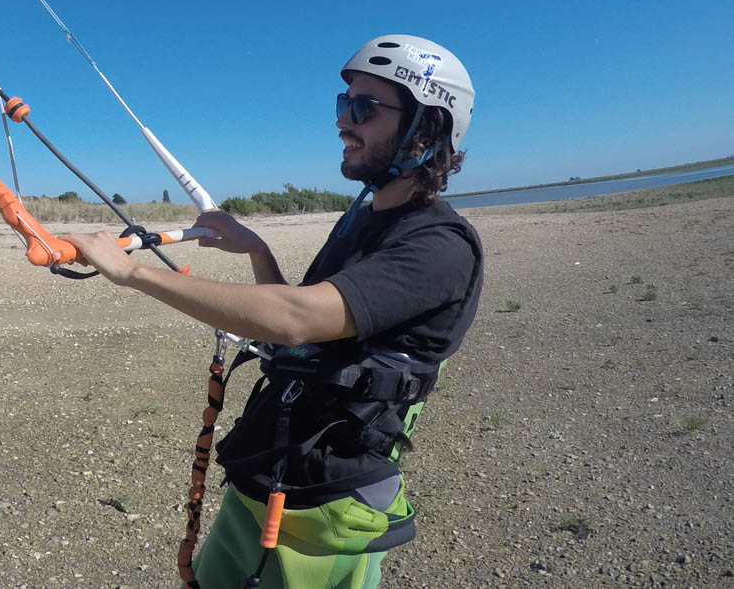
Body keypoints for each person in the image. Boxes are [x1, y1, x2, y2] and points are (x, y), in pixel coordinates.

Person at [64, 35, 484, 589]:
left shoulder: (440, 247)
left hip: (329, 509)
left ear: (426, 129)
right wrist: (257, 250)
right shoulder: (362, 220)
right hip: (265, 475)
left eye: (364, 107)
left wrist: (133, 273)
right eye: (344, 103)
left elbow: (294, 318)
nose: (343, 121)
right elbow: (300, 340)